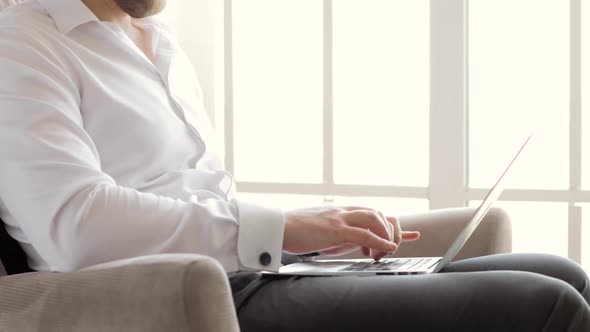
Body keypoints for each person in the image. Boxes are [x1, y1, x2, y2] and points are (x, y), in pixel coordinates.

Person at [0, 0, 588, 331]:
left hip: (249, 273)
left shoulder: (155, 38)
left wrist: (312, 240)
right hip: (185, 296)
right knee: (545, 305)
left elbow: (195, 195)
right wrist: (280, 229)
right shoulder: (24, 41)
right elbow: (75, 225)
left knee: (563, 273)